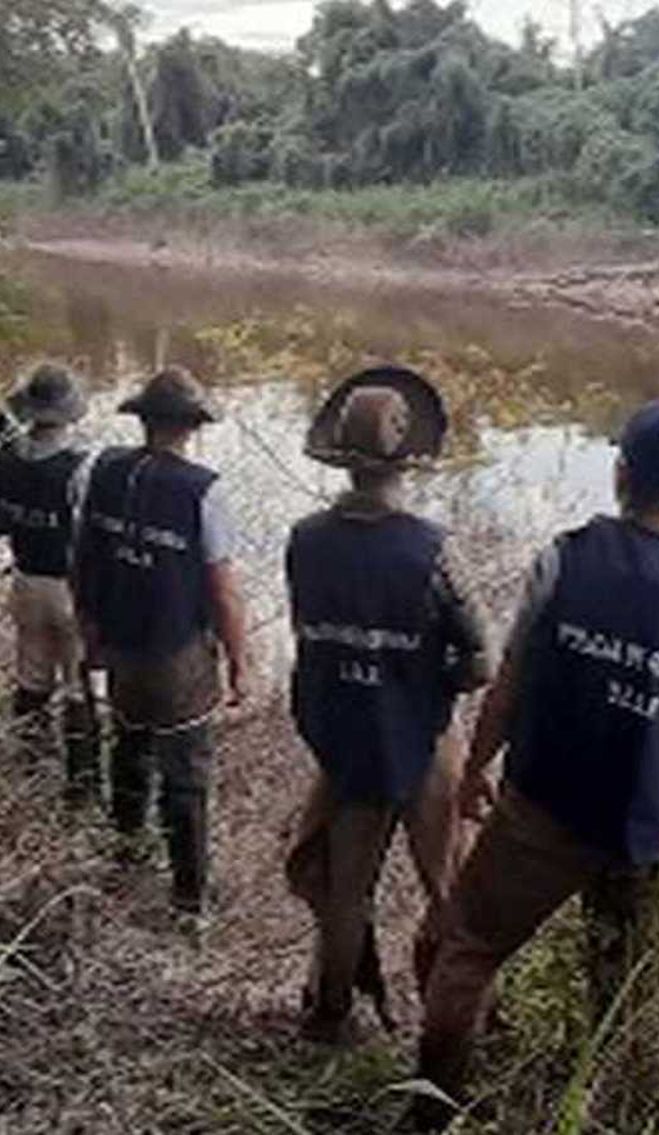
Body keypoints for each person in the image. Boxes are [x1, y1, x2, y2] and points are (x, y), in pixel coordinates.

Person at [411, 398, 659, 1128]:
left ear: (621, 470)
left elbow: (508, 686)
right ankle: (606, 1109)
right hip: (644, 826)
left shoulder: (567, 557)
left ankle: (430, 1114)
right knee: (617, 981)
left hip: (544, 808)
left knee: (463, 949)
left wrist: (473, 772)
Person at [284, 366, 491, 1043]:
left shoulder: (304, 538)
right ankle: (457, 1025)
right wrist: (427, 674)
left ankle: (329, 1016)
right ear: (409, 461)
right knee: (448, 887)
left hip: (345, 739)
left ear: (342, 459)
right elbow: (480, 660)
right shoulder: (433, 550)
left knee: (346, 892)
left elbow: (307, 634)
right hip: (422, 736)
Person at [72, 365, 248, 931]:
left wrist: (91, 632)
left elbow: (84, 561)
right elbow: (221, 588)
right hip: (176, 651)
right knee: (186, 772)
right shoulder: (204, 489)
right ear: (192, 426)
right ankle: (190, 901)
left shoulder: (100, 470)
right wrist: (241, 660)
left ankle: (125, 856)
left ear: (144, 419)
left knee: (129, 743)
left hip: (119, 640)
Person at [0, 362, 100, 805]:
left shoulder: (2, 459)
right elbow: (94, 539)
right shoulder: (82, 468)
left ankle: (28, 770)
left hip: (25, 582)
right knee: (80, 688)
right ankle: (80, 791)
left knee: (31, 679)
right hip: (72, 589)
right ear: (70, 412)